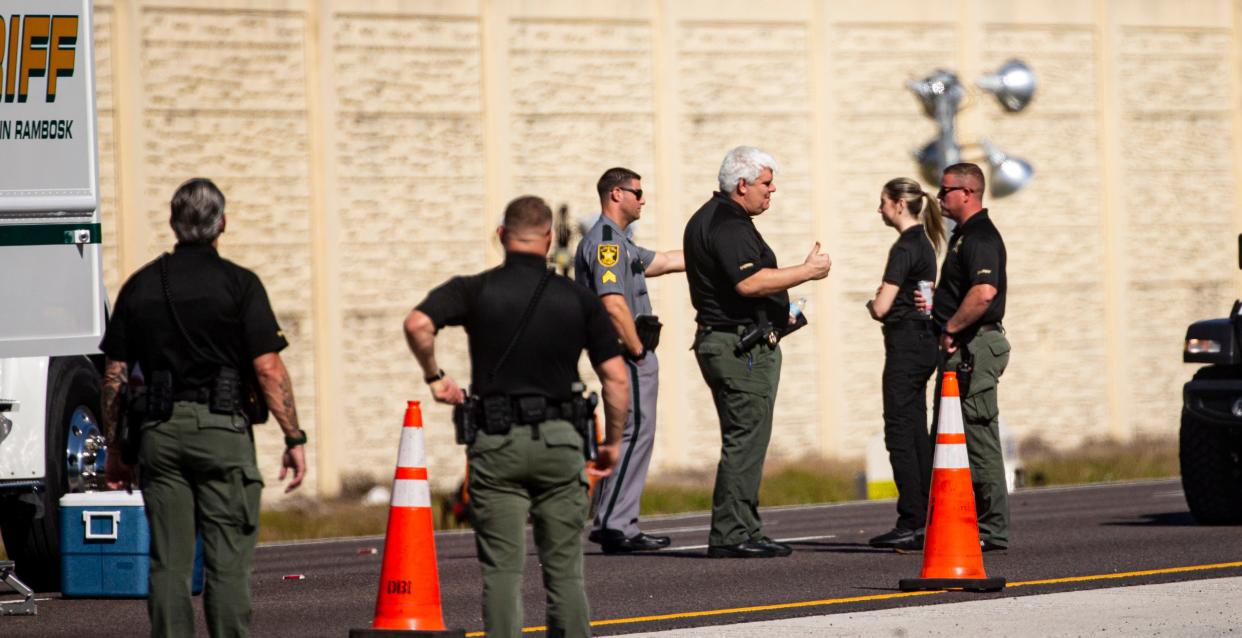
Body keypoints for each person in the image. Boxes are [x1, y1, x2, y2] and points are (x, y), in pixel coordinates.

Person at [403, 195, 629, 637]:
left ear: (502, 236)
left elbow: (417, 324)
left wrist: (436, 377)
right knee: (564, 573)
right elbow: (616, 379)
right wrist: (612, 443)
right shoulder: (579, 299)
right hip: (560, 444)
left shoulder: (474, 289)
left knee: (502, 573)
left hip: (496, 443)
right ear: (548, 239)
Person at [101, 177, 307, 637]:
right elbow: (269, 368)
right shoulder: (240, 285)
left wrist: (117, 448)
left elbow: (114, 375)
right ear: (223, 223)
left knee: (169, 564)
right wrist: (294, 437)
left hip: (159, 434)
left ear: (173, 224)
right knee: (227, 563)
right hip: (222, 433)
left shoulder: (140, 287)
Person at [683, 146, 832, 558]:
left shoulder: (716, 218)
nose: (772, 190)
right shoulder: (727, 224)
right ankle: (732, 533)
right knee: (745, 439)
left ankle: (744, 526)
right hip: (738, 347)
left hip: (732, 342)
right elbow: (747, 284)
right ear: (742, 185)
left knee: (746, 437)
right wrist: (808, 272)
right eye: (766, 183)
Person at [575, 167, 685, 554]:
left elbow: (665, 261)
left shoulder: (620, 242)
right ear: (616, 194)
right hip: (626, 354)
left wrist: (711, 252)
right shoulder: (606, 243)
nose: (643, 199)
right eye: (637, 192)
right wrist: (637, 348)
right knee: (635, 433)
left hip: (624, 353)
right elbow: (612, 302)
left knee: (631, 434)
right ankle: (616, 524)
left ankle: (615, 520)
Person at [927, 162, 1011, 552]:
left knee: (978, 437)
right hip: (966, 346)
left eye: (944, 191)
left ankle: (991, 531)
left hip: (975, 346)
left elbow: (984, 293)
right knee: (954, 437)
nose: (939, 198)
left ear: (967, 193)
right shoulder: (964, 237)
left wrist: (951, 328)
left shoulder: (980, 236)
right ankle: (964, 521)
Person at [864, 177, 945, 551]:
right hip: (923, 343)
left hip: (905, 347)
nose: (879, 208)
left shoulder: (904, 247)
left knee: (899, 431)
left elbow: (882, 306)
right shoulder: (925, 244)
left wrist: (873, 304)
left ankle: (910, 520)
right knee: (916, 431)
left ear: (899, 204)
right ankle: (925, 517)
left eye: (883, 202)